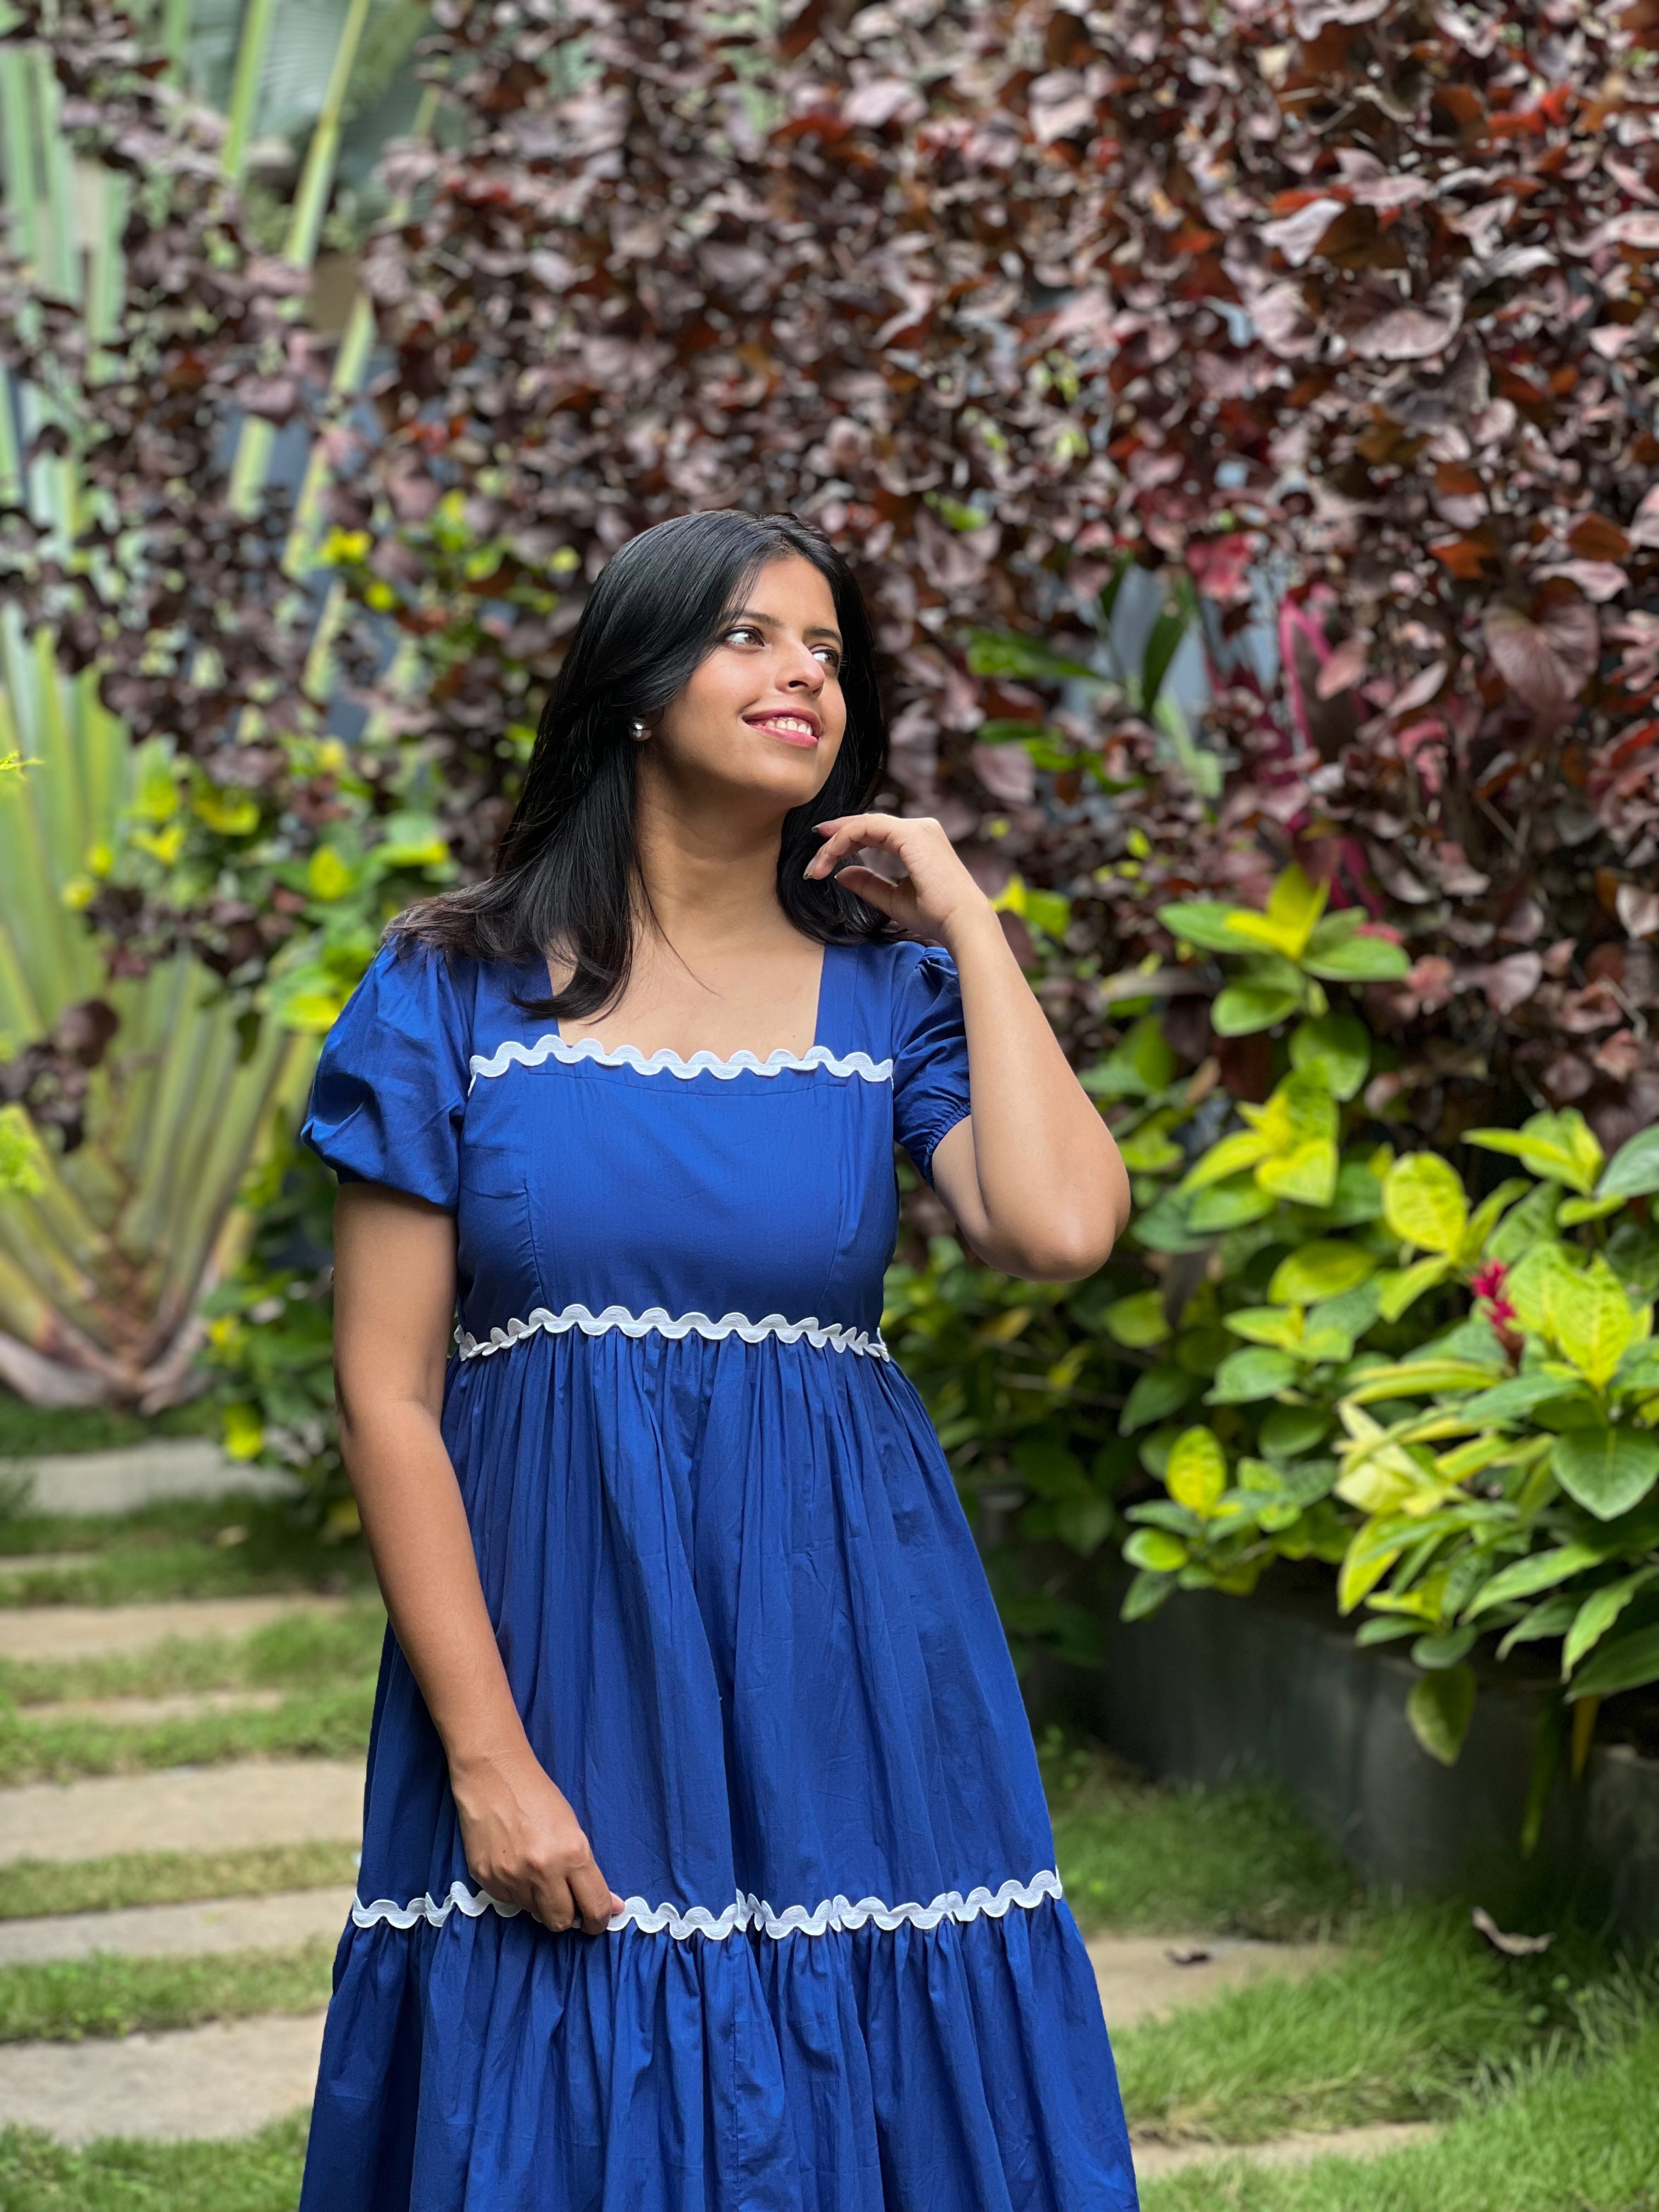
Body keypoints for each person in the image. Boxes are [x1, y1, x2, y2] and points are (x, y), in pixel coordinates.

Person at [296, 509, 1139, 2211]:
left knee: (864, 2044)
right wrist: (486, 1755)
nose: (802, 675)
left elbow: (1058, 1227)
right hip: (564, 1636)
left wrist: (970, 926)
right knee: (564, 2047)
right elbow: (388, 1398)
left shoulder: (888, 998)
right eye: (749, 637)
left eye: (827, 651)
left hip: (845, 1637)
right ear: (636, 683)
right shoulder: (450, 989)